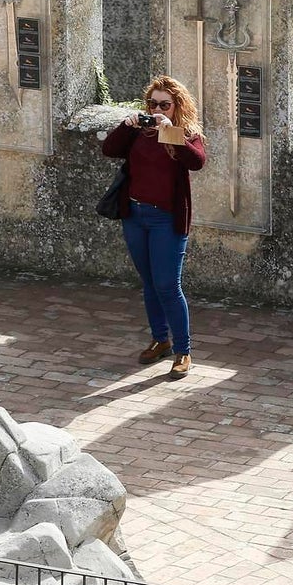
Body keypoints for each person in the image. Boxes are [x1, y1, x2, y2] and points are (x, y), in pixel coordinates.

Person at [101, 75, 207, 378]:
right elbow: (110, 149)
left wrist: (168, 130)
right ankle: (160, 339)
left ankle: (183, 350)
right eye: (152, 103)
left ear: (177, 106)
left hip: (166, 219)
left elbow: (197, 161)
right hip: (135, 215)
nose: (157, 108)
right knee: (148, 281)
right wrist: (127, 124)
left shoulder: (183, 133)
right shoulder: (138, 133)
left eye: (165, 104)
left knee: (168, 285)